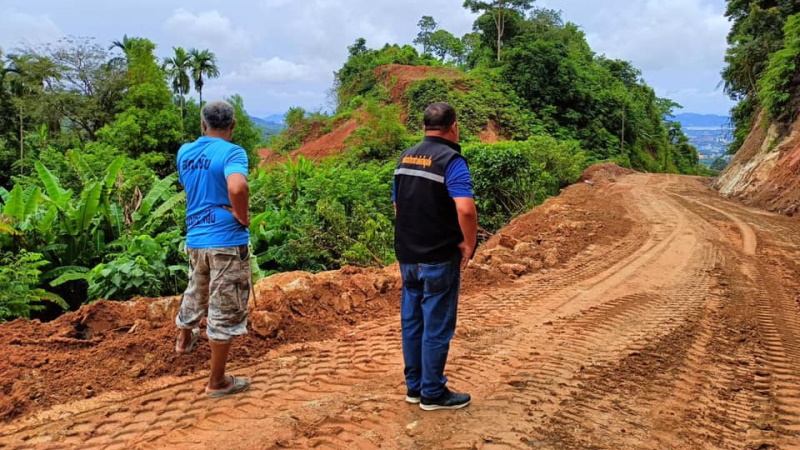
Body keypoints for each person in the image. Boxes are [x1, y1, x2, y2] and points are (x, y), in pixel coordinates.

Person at [392, 102, 478, 411]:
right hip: (439, 255)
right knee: (437, 325)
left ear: (424, 126)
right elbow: (465, 208)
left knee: (412, 322)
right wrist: (469, 244)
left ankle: (414, 388)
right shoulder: (451, 161)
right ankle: (432, 392)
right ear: (453, 127)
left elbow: (398, 207)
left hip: (407, 254)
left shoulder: (405, 158)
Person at [174, 100, 252, 398]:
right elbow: (237, 187)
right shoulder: (233, 152)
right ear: (232, 126)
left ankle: (183, 339)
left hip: (196, 238)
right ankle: (218, 382)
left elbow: (191, 186)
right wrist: (242, 217)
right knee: (224, 308)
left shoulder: (185, 152)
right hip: (226, 240)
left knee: (196, 287)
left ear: (202, 124)